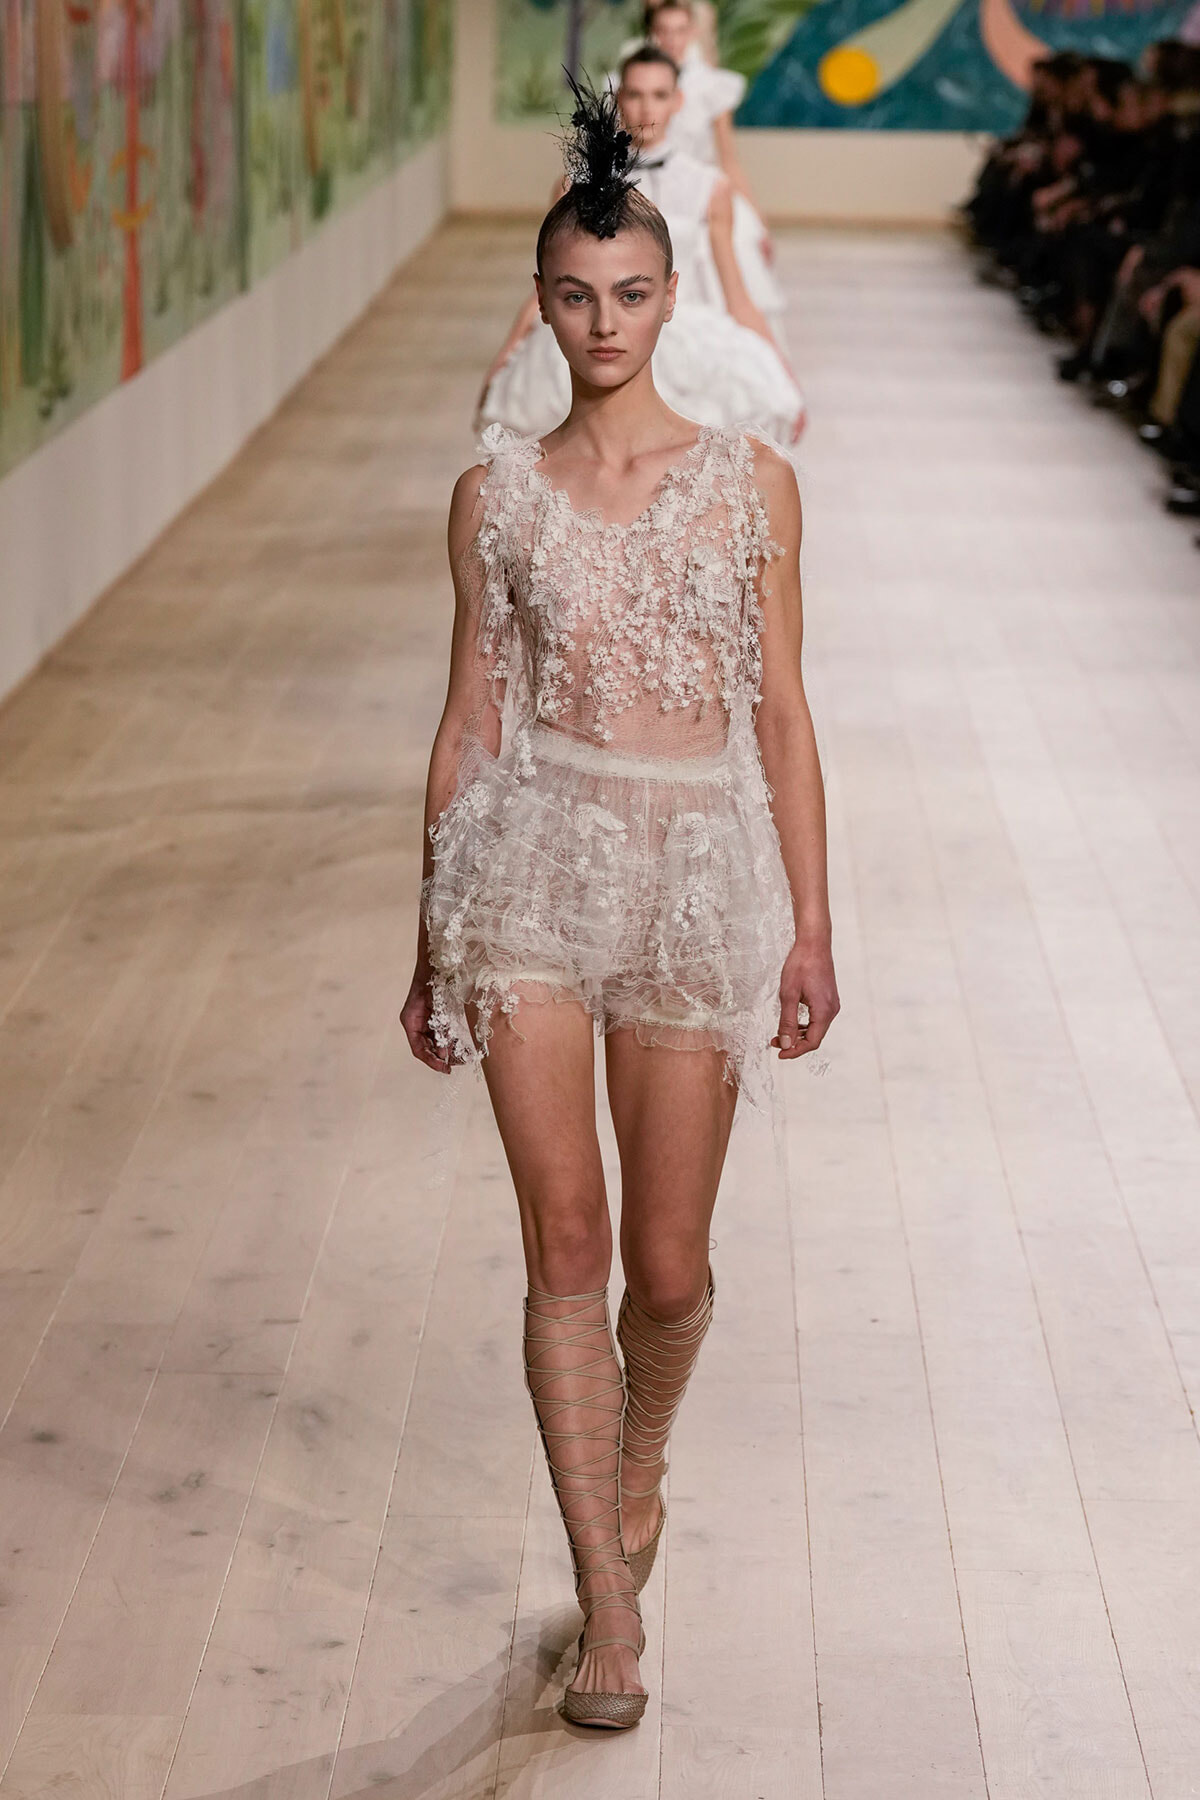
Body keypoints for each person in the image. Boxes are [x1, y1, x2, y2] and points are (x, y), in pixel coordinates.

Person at [403, 78, 837, 1731]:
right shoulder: (492, 497)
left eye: (631, 294)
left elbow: (785, 716)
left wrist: (811, 922)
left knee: (666, 1264)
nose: (603, 322)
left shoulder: (749, 487)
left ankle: (637, 1466)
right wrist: (422, 938)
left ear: (670, 299)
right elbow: (467, 721)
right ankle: (606, 1602)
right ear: (543, 304)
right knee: (566, 1247)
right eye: (575, 297)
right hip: (526, 871)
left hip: (697, 878)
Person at [478, 49, 805, 443]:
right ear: (618, 100)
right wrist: (507, 352)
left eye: (659, 95)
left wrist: (780, 368)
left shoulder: (709, 187)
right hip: (598, 324)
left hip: (689, 332)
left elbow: (736, 293)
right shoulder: (573, 187)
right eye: (634, 94)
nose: (646, 107)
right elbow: (553, 282)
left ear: (677, 101)